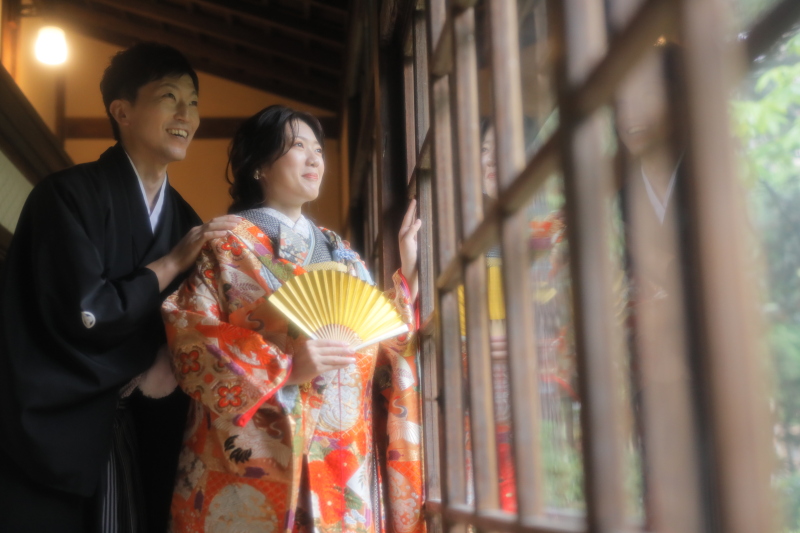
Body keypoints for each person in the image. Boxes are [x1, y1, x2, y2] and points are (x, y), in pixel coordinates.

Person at [0, 42, 239, 532]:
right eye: (169, 97)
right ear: (122, 110)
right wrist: (170, 264)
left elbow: (197, 325)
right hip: (59, 427)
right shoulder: (66, 197)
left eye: (192, 102)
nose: (186, 114)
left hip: (140, 428)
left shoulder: (185, 220)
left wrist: (167, 358)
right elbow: (85, 313)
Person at [161, 104, 424, 533]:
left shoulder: (342, 252)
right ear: (260, 165)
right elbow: (190, 334)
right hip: (256, 451)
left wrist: (408, 271)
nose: (314, 158)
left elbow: (380, 336)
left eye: (318, 149)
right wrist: (282, 368)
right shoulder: (227, 244)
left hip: (340, 451)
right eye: (298, 146)